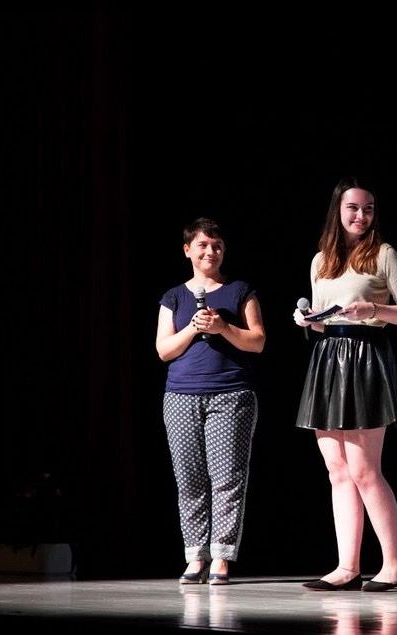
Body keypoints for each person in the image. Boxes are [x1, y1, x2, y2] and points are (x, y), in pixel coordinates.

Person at [293, 176, 397, 592]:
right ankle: (347, 566)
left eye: (368, 209)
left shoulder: (384, 255)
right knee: (337, 470)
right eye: (353, 208)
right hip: (328, 358)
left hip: (367, 358)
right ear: (338, 211)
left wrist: (373, 309)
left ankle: (394, 565)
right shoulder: (320, 261)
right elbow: (323, 317)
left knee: (366, 469)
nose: (361, 216)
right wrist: (309, 321)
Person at [156, 217, 266, 585]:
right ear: (188, 250)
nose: (210, 252)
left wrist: (223, 328)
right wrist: (193, 327)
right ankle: (195, 556)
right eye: (203, 245)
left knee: (227, 478)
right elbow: (164, 350)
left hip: (231, 394)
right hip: (181, 396)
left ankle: (221, 557)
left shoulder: (239, 291)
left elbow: (258, 341)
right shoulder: (175, 297)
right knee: (189, 479)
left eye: (216, 246)